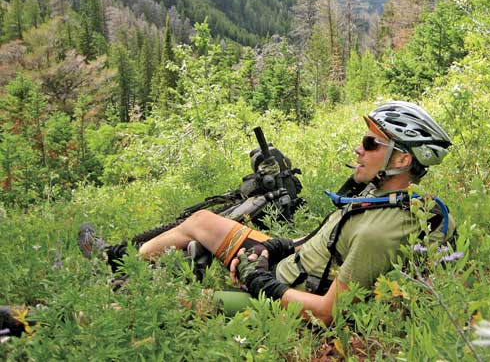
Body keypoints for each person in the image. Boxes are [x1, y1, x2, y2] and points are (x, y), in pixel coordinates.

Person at [77, 101, 456, 325]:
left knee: (182, 306)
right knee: (201, 222)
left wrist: (265, 286)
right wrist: (278, 246)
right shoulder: (381, 196)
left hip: (286, 295)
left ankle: (47, 318)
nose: (359, 149)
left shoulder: (380, 232)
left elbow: (327, 312)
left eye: (371, 143)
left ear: (402, 159)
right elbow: (326, 243)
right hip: (287, 264)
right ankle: (119, 262)